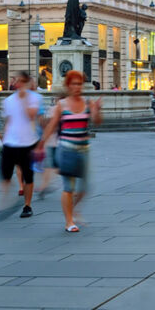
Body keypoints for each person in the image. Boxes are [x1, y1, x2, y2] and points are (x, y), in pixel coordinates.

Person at [37, 70, 102, 233]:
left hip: (83, 150)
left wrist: (96, 110)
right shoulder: (62, 104)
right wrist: (41, 142)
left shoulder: (88, 103)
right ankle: (69, 221)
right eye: (73, 84)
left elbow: (97, 122)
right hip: (66, 149)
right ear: (68, 86)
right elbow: (52, 125)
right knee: (69, 187)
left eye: (79, 83)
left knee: (85, 187)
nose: (77, 87)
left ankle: (71, 211)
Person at [0, 72, 42, 218]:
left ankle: (27, 205)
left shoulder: (34, 98)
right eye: (18, 81)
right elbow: (8, 121)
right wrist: (4, 137)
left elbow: (31, 116)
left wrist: (23, 100)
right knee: (5, 175)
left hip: (28, 142)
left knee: (28, 176)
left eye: (23, 81)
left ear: (28, 83)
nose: (19, 84)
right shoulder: (8, 100)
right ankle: (6, 202)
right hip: (10, 142)